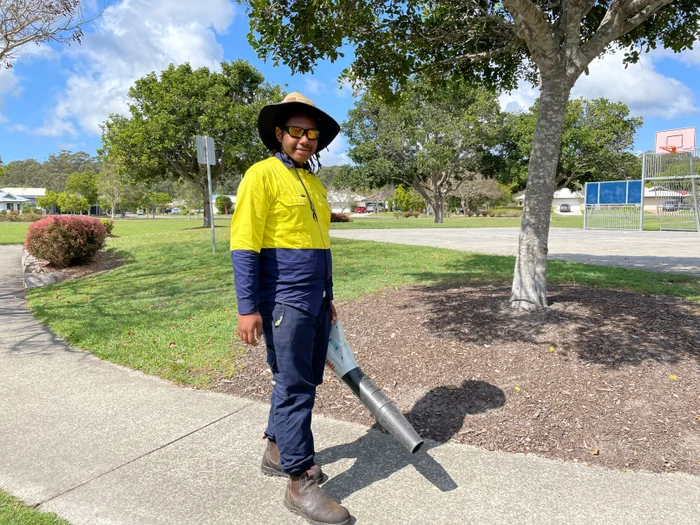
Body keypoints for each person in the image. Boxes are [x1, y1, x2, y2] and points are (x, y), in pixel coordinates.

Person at [230, 92, 350, 525]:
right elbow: (244, 245)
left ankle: (276, 449)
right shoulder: (260, 176)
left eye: (311, 133)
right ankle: (300, 482)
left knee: (297, 380)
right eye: (296, 131)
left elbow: (321, 246)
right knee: (296, 386)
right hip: (283, 298)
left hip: (314, 297)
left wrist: (328, 297)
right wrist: (248, 308)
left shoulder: (314, 183)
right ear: (279, 134)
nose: (304, 139)